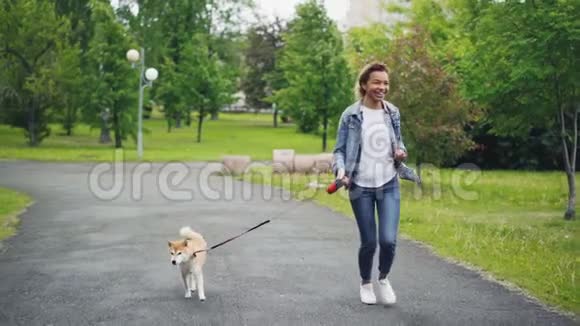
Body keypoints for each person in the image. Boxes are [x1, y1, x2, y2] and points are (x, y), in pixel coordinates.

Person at [332, 62, 407, 305]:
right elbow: (339, 151)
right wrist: (341, 171)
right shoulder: (351, 115)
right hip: (360, 187)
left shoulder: (392, 112)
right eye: (376, 82)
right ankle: (366, 282)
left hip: (388, 184)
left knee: (388, 240)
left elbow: (400, 143)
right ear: (364, 84)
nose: (382, 87)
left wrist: (400, 152)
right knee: (369, 241)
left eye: (385, 83)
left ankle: (383, 278)